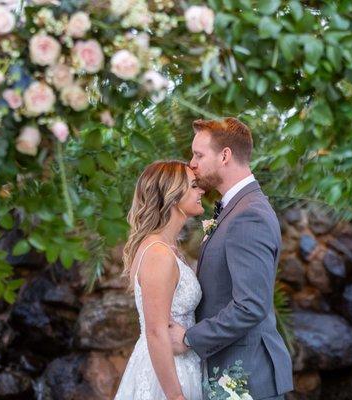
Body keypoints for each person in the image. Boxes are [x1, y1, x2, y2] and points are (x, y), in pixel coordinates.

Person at [168, 117, 294, 399]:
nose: (192, 164)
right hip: (230, 372)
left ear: (225, 155)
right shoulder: (236, 208)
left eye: (199, 155)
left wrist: (189, 339)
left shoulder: (249, 215)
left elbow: (250, 306)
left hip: (247, 378)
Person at [114, 160, 205, 400]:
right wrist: (175, 396)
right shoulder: (158, 254)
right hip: (166, 375)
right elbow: (156, 331)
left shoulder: (170, 248)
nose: (202, 191)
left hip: (185, 364)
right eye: (194, 186)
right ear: (174, 196)